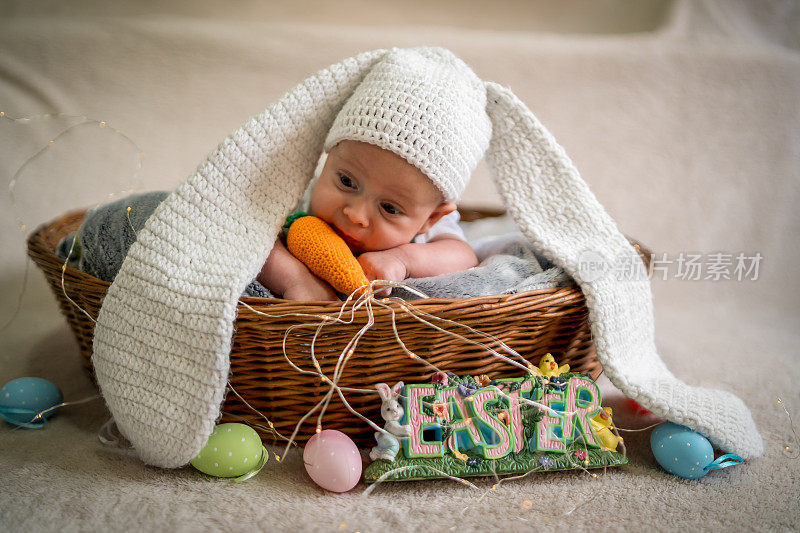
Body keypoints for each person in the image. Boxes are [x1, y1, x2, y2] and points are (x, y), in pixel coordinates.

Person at [257, 139, 478, 300]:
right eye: (346, 181)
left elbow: (463, 256)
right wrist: (295, 279)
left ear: (431, 218)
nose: (356, 215)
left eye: (389, 208)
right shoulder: (299, 191)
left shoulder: (429, 221)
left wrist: (403, 260)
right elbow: (252, 236)